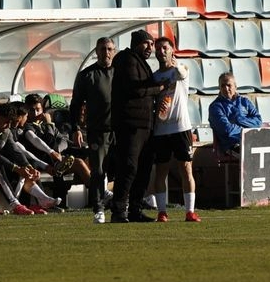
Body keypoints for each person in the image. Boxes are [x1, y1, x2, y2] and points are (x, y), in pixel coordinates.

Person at [110, 29, 167, 223]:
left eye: (152, 44)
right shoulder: (128, 59)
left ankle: (134, 209)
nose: (150, 48)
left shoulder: (139, 62)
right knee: (129, 167)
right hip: (131, 123)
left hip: (145, 124)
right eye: (147, 43)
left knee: (143, 168)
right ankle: (119, 210)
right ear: (136, 43)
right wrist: (158, 88)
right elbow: (134, 88)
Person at [149, 37, 201, 223]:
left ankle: (190, 212)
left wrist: (175, 63)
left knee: (186, 168)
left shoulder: (180, 70)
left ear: (172, 51)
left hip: (181, 127)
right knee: (161, 170)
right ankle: (162, 211)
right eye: (158, 48)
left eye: (165, 48)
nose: (161, 51)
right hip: (161, 129)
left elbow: (182, 72)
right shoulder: (154, 77)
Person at [0, 102, 53, 215]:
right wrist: (16, 168)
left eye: (10, 123)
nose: (8, 126)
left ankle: (37, 202)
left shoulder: (6, 130)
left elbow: (15, 151)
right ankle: (15, 204)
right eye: (6, 122)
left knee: (25, 167)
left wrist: (27, 166)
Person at [69, 36, 116, 224]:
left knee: (123, 168)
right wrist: (76, 128)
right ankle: (98, 207)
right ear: (96, 52)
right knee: (97, 171)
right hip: (98, 130)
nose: (106, 52)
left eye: (110, 49)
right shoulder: (87, 75)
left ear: (114, 51)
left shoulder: (121, 73)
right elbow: (76, 104)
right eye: (103, 49)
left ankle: (121, 205)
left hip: (120, 129)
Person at [22, 93, 90, 209]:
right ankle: (100, 195)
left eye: (38, 109)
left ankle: (95, 198)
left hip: (57, 158)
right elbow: (48, 143)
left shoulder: (44, 124)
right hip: (43, 162)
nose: (36, 113)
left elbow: (61, 140)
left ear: (43, 109)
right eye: (32, 110)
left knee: (89, 157)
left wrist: (82, 148)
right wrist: (49, 124)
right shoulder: (28, 126)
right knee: (78, 163)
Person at [208, 72, 262, 157]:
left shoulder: (245, 102)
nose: (226, 88)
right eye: (222, 86)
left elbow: (258, 122)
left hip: (251, 140)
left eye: (229, 85)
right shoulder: (215, 107)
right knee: (252, 155)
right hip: (232, 144)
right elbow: (227, 130)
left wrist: (239, 120)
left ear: (235, 86)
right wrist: (247, 130)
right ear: (219, 88)